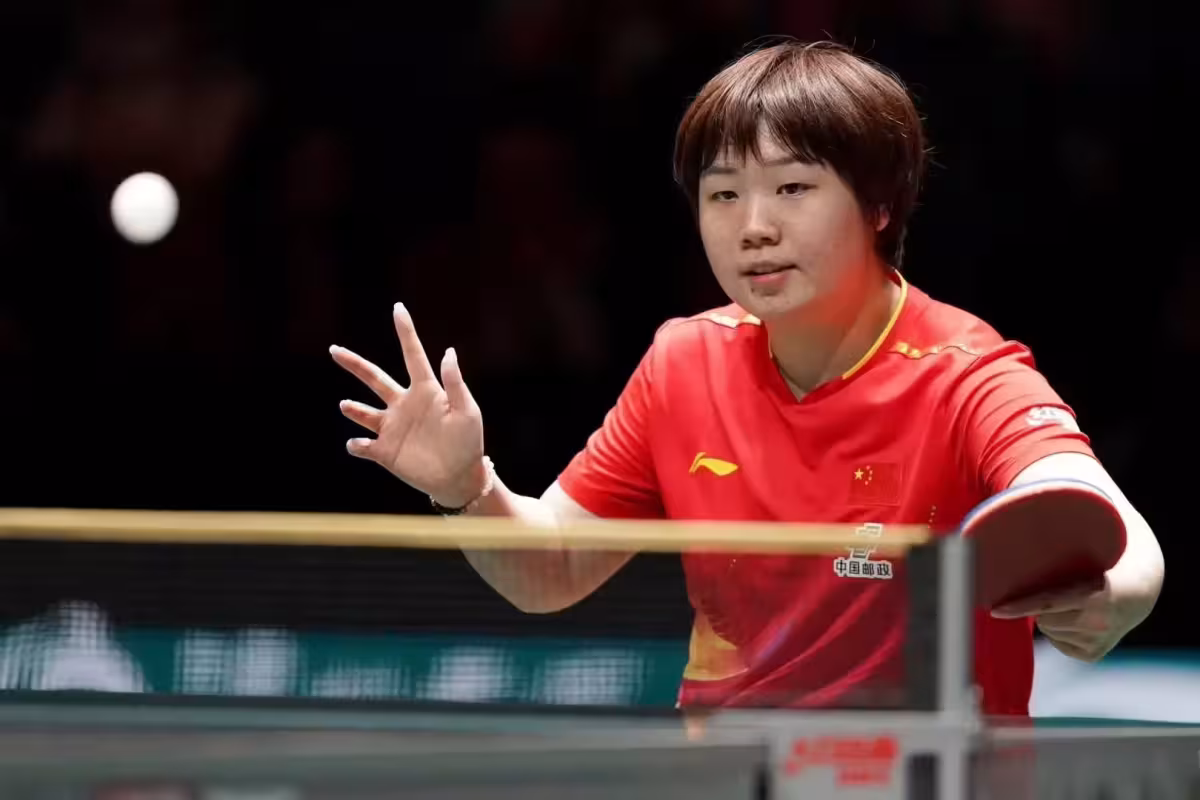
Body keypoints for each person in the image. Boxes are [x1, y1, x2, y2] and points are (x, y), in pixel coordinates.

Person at [329, 40, 1163, 716]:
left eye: (793, 188)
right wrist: (468, 489)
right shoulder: (683, 363)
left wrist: (1118, 594)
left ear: (880, 205)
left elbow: (1093, 509)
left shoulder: (964, 371)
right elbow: (552, 569)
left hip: (932, 774)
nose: (754, 227)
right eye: (723, 195)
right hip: (729, 773)